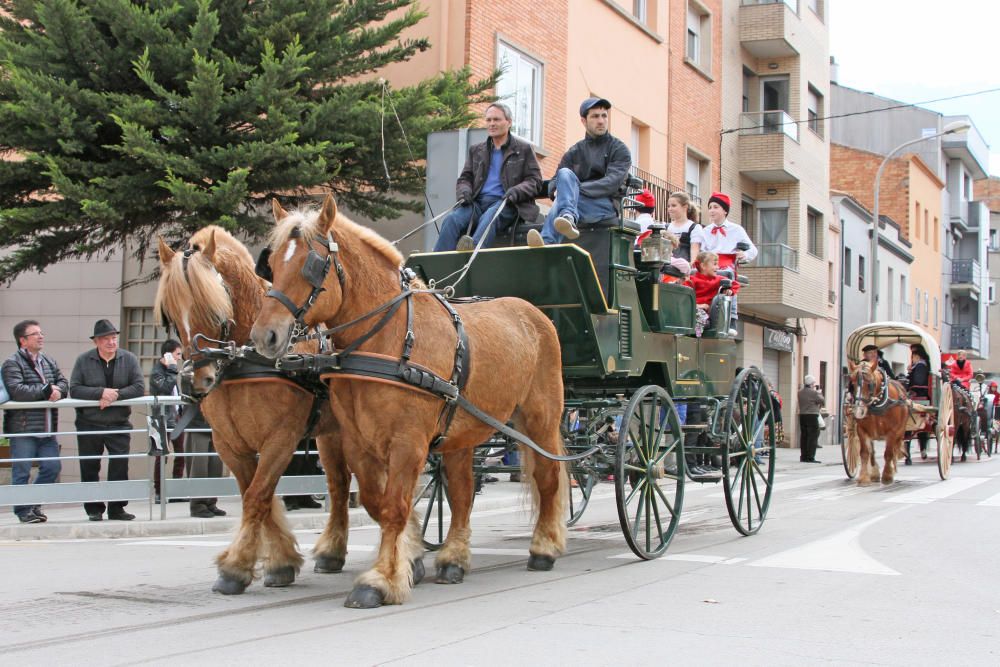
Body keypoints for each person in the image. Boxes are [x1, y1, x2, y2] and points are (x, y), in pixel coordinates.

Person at [433, 103, 542, 251]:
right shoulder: (476, 150)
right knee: (451, 220)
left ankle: (473, 254)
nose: (491, 124)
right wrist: (464, 192)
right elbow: (465, 178)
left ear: (508, 122)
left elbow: (534, 181)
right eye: (488, 120)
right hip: (477, 204)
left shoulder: (524, 149)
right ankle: (438, 264)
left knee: (490, 218)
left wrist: (515, 192)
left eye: (496, 120)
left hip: (507, 204)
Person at [527, 97, 631, 247]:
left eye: (604, 116)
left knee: (564, 199)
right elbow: (556, 181)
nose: (601, 121)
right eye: (595, 116)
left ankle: (549, 239)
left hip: (605, 205)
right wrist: (561, 189)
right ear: (583, 121)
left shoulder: (619, 149)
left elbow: (611, 183)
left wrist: (573, 190)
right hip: (577, 204)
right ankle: (568, 216)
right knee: (564, 173)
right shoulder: (574, 151)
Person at [70, 319, 145, 521]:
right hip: (89, 422)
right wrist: (100, 393)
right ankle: (93, 508)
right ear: (96, 342)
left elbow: (138, 386)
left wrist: (115, 395)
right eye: (106, 339)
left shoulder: (128, 359)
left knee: (119, 465)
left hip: (119, 422)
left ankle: (117, 508)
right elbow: (75, 388)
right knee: (90, 466)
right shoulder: (83, 360)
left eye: (113, 338)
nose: (111, 342)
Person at [1, 320, 68, 523]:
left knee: (52, 467)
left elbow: (63, 381)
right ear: (23, 341)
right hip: (23, 428)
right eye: (35, 334)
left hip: (47, 428)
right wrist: (46, 391)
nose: (41, 337)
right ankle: (23, 510)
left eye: (41, 332)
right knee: (21, 471)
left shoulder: (47, 360)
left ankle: (34, 503)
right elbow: (16, 390)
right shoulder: (12, 363)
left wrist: (58, 391)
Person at [149, 339, 185, 502]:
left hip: (176, 418)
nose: (179, 357)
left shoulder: (171, 371)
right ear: (168, 354)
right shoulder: (158, 371)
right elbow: (164, 389)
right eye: (177, 354)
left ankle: (177, 491)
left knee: (181, 454)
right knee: (161, 456)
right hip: (161, 418)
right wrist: (171, 369)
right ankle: (159, 492)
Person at [184, 405, 226, 518]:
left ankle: (211, 503)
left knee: (216, 466)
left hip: (215, 423)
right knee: (199, 467)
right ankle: (197, 505)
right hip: (197, 422)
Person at [684, 250, 739, 337]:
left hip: (709, 315)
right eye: (715, 264)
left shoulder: (719, 279)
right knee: (694, 313)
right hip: (693, 310)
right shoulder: (691, 280)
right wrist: (699, 306)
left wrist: (730, 290)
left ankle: (696, 334)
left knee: (700, 316)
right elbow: (684, 298)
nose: (718, 267)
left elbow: (735, 284)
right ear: (703, 266)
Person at [700, 192, 759, 270]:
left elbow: (753, 250)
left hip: (728, 267)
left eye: (715, 207)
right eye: (710, 207)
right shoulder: (705, 231)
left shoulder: (736, 229)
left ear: (725, 211)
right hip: (709, 268)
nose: (712, 210)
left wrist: (744, 254)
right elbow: (701, 252)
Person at [664, 191, 704, 269]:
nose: (670, 209)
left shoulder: (694, 228)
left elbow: (694, 251)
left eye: (674, 206)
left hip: (684, 269)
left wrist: (690, 269)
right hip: (667, 268)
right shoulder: (666, 227)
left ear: (685, 207)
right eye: (668, 206)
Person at [905, 344, 931, 464]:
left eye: (913, 356)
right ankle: (920, 449)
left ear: (917, 356)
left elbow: (918, 381)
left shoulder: (920, 366)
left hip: (918, 392)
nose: (912, 358)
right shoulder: (919, 366)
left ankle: (908, 452)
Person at [797, 375, 824, 463]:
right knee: (812, 437)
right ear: (812, 383)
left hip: (802, 415)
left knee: (804, 436)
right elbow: (822, 401)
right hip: (812, 415)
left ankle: (803, 456)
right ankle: (810, 457)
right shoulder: (814, 393)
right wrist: (819, 392)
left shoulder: (800, 392)